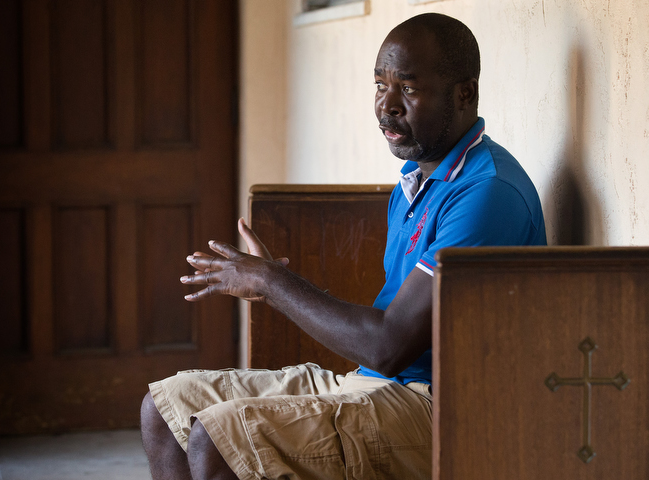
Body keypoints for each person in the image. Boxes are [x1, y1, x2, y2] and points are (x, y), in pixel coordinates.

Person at [140, 13, 547, 480]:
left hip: (441, 407)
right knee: (163, 408)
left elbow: (389, 345)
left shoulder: (487, 194)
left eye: (408, 89)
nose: (387, 105)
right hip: (375, 386)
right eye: (380, 85)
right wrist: (272, 282)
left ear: (464, 93)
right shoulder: (417, 182)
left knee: (219, 437)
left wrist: (272, 281)